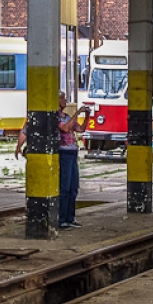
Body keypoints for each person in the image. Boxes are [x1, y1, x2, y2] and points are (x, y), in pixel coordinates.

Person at [57, 91, 91, 229]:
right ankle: (62, 219)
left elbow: (80, 129)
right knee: (64, 188)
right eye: (63, 99)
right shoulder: (55, 118)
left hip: (72, 153)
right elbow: (65, 128)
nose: (65, 101)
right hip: (64, 154)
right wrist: (78, 112)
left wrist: (87, 116)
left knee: (73, 188)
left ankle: (70, 218)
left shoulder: (67, 116)